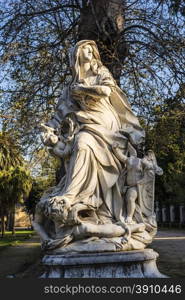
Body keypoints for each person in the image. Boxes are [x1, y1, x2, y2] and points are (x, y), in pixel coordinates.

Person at [34, 40, 146, 251]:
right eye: (83, 48)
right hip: (86, 124)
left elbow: (105, 91)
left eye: (90, 49)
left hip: (107, 124)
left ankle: (72, 196)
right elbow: (59, 115)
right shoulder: (69, 88)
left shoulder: (101, 72)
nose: (89, 51)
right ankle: (83, 201)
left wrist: (85, 88)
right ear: (75, 55)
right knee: (81, 140)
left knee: (83, 140)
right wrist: (49, 133)